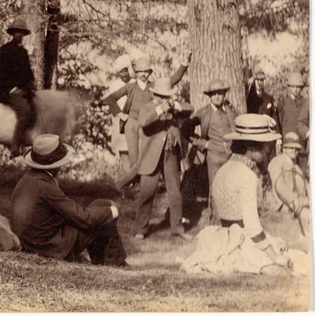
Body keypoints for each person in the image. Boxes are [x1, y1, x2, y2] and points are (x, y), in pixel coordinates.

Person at [182, 114, 308, 276]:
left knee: (287, 251)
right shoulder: (247, 175)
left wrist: (270, 240)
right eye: (265, 145)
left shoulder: (223, 170)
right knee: (293, 263)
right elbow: (252, 226)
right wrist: (274, 256)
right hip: (242, 243)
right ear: (252, 147)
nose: (268, 149)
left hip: (223, 239)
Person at [10, 133, 127, 265]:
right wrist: (113, 211)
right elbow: (84, 218)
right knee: (103, 213)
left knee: (100, 207)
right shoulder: (45, 186)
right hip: (50, 248)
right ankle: (116, 263)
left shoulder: (28, 179)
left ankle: (104, 261)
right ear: (55, 165)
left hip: (33, 243)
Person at [106, 53, 188, 191]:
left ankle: (123, 185)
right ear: (136, 72)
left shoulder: (154, 85)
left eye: (146, 71)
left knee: (146, 158)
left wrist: (184, 65)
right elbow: (110, 99)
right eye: (140, 71)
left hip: (148, 125)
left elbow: (172, 80)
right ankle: (134, 187)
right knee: (135, 160)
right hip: (132, 126)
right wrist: (121, 115)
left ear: (150, 72)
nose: (143, 74)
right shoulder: (130, 87)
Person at [131, 79, 189, 240]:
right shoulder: (147, 108)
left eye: (166, 96)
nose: (164, 98)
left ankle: (177, 228)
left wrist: (174, 105)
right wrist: (159, 109)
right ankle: (140, 230)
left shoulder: (172, 108)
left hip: (170, 155)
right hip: (151, 157)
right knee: (147, 193)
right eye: (161, 96)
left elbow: (190, 109)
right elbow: (143, 121)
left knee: (175, 193)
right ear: (154, 94)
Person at [186, 77, 238, 221]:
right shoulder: (203, 113)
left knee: (229, 187)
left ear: (224, 95)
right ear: (209, 96)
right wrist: (203, 143)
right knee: (216, 188)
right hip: (213, 157)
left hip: (229, 156)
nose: (217, 96)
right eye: (214, 93)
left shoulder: (229, 111)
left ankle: (230, 218)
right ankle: (215, 220)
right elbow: (185, 129)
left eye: (220, 93)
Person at [0, 18, 36, 157]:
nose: (19, 35)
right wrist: (12, 89)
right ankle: (15, 147)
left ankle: (30, 143)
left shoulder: (23, 52)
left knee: (38, 107)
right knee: (25, 111)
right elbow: (0, 73)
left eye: (22, 32)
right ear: (12, 33)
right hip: (8, 91)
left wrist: (32, 82)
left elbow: (28, 73)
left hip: (24, 90)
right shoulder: (5, 50)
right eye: (17, 32)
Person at [267, 132, 309, 236]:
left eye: (297, 149)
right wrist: (294, 200)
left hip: (298, 203)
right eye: (291, 148)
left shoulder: (296, 167)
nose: (294, 151)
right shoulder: (277, 162)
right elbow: (279, 185)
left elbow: (306, 185)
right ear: (284, 148)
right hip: (283, 205)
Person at [103, 54, 133, 158]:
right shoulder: (114, 85)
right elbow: (111, 103)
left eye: (126, 71)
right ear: (118, 73)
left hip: (133, 120)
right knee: (123, 150)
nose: (124, 74)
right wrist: (120, 115)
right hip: (119, 120)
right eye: (121, 72)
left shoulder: (134, 83)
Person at [276, 72, 309, 149]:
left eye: (298, 87)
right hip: (287, 142)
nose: (295, 89)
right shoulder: (283, 102)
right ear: (289, 87)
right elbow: (279, 121)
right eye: (293, 86)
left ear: (301, 88)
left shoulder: (306, 102)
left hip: (301, 142)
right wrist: (279, 138)